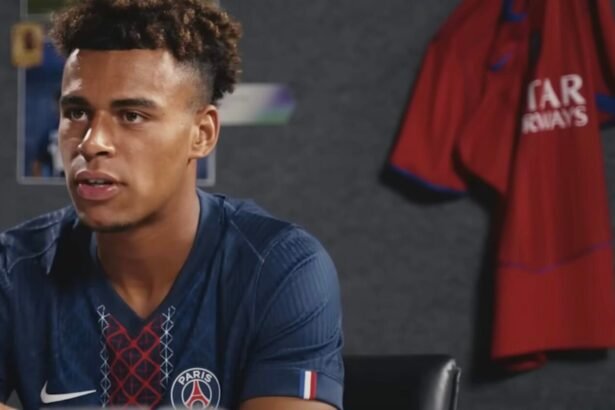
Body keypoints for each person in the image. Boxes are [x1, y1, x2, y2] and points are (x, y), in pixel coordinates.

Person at [0, 0, 344, 409]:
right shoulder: (13, 268)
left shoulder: (278, 268)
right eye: (76, 112)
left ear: (202, 133)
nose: (92, 143)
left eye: (131, 115)